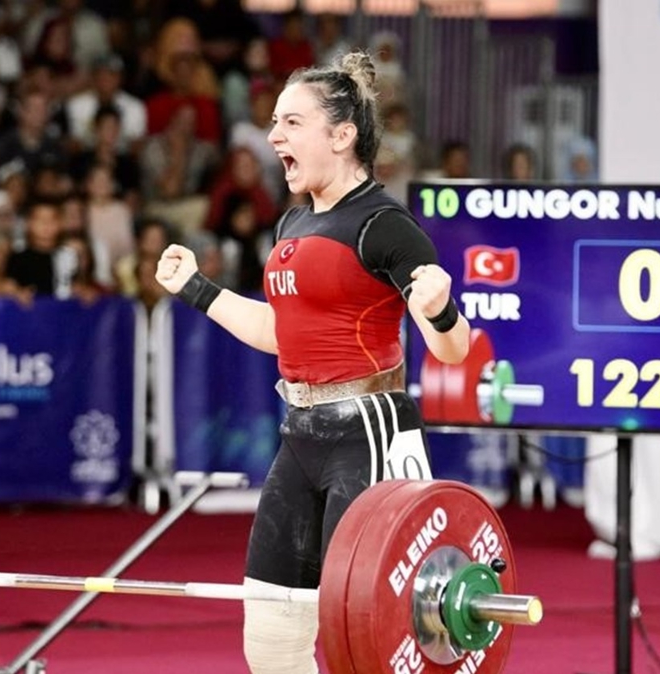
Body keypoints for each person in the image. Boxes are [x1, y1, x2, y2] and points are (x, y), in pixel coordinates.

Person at [154, 52, 470, 674]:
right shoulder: (293, 223)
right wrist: (196, 288)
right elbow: (282, 334)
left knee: (366, 635)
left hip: (369, 430)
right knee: (271, 636)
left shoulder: (385, 224)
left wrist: (439, 311)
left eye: (291, 123)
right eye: (275, 122)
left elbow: (453, 349)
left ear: (342, 135)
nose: (274, 136)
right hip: (300, 432)